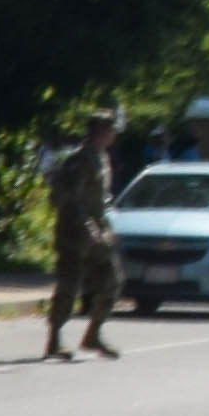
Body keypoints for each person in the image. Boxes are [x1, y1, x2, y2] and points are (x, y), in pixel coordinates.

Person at [47, 112, 124, 359]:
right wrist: (88, 226)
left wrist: (106, 228)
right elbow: (73, 200)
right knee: (69, 284)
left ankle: (93, 335)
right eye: (110, 129)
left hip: (98, 232)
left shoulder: (102, 159)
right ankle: (54, 339)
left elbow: (101, 201)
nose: (113, 134)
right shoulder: (78, 162)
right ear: (99, 132)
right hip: (74, 233)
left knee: (112, 279)